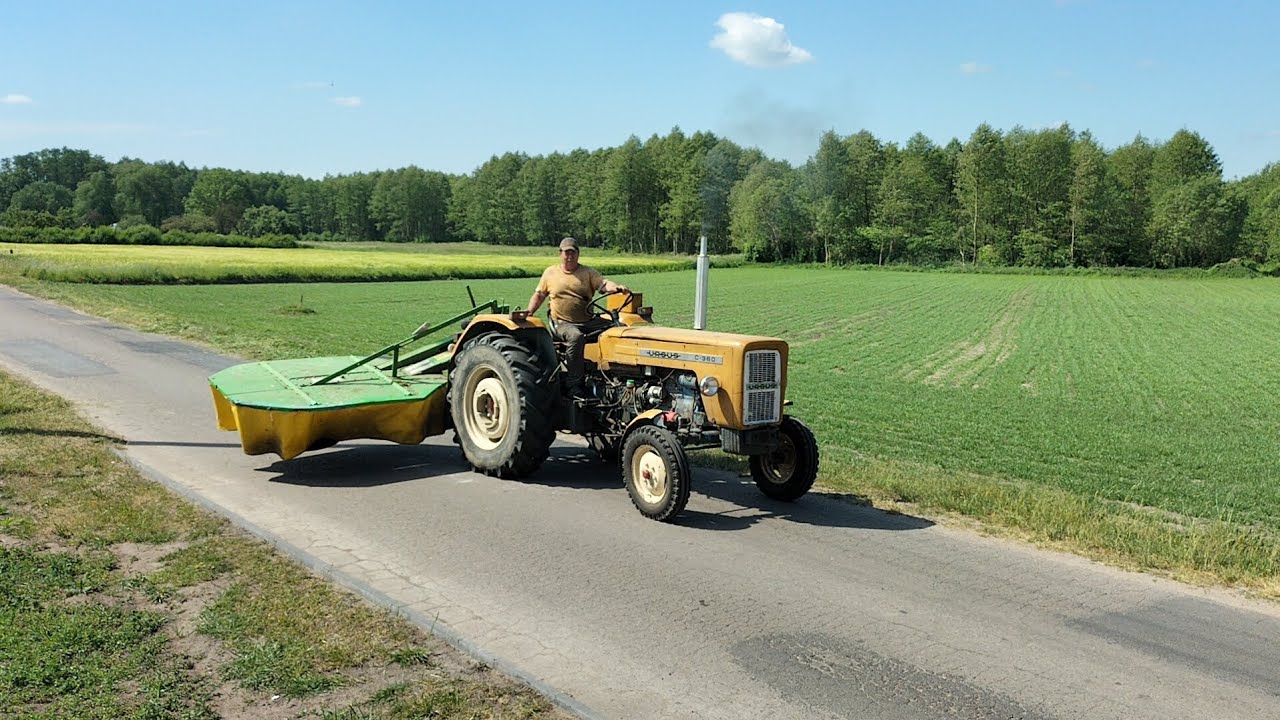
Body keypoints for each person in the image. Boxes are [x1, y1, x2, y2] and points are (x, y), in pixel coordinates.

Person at [526, 237, 629, 395]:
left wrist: (616, 287)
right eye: (566, 252)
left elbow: (603, 284)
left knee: (620, 330)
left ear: (578, 254)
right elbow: (539, 295)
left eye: (572, 252)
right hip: (562, 323)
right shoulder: (551, 273)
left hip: (588, 320)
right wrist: (529, 312)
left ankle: (615, 373)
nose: (569, 256)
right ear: (560, 254)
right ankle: (574, 383)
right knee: (576, 336)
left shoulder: (587, 272)